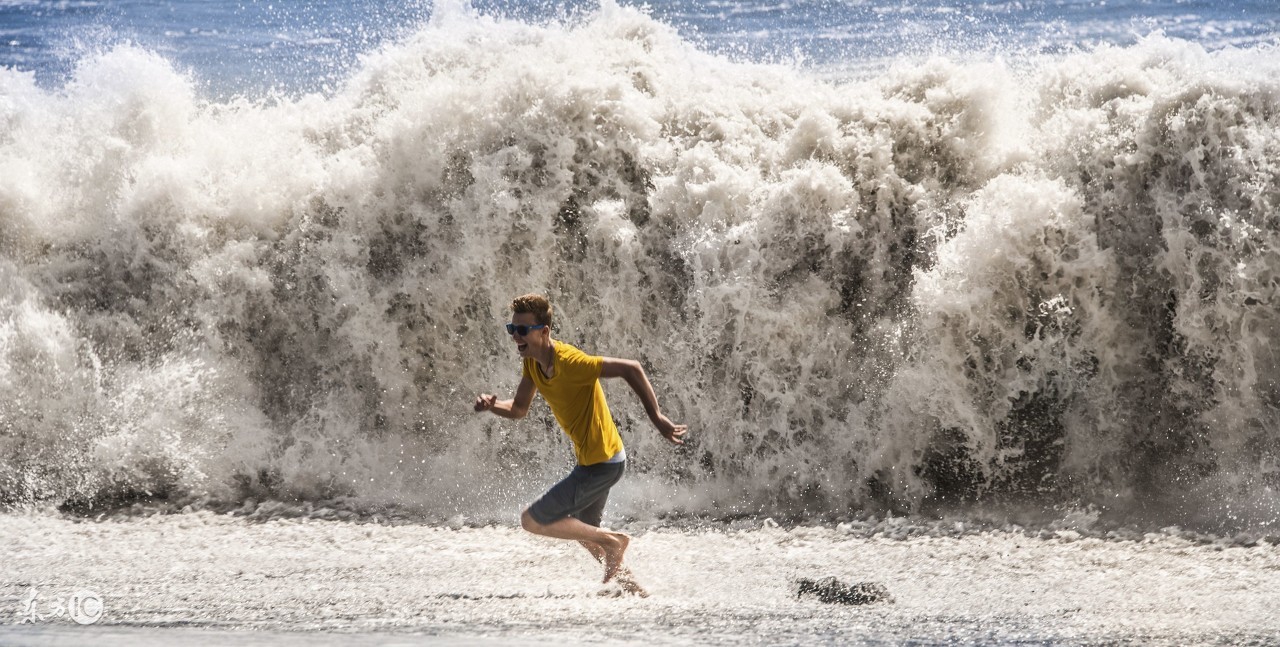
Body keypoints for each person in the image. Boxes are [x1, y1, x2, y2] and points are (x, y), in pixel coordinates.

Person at [473, 294, 687, 592]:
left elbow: (631, 368)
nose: (515, 336)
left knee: (531, 520)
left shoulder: (572, 362)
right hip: (596, 461)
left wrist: (657, 417)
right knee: (583, 531)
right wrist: (492, 406)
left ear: (544, 331)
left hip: (603, 463)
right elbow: (519, 408)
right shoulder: (533, 364)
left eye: (522, 330)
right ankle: (634, 589)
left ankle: (614, 542)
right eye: (512, 329)